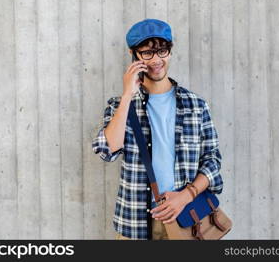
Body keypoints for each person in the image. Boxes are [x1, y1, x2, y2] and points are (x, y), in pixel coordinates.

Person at [92, 18, 223, 240]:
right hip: (134, 222)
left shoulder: (195, 105)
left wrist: (185, 196)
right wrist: (127, 96)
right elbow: (107, 150)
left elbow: (213, 161)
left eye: (162, 51)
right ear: (133, 54)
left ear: (170, 51)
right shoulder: (120, 105)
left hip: (186, 218)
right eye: (147, 53)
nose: (156, 60)